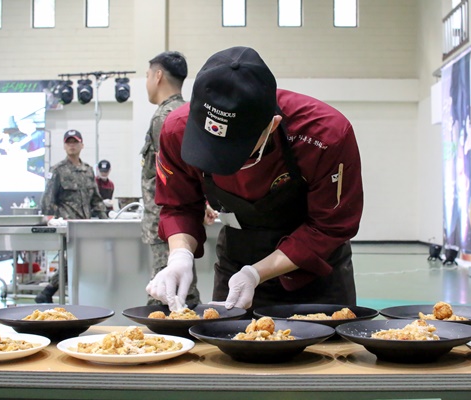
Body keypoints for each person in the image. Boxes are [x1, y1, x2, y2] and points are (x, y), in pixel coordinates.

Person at [146, 46, 363, 312]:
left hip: (316, 273)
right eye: (208, 145)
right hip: (236, 260)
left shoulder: (325, 136)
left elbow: (329, 226)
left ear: (271, 125)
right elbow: (178, 206)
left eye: (233, 150)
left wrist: (256, 273)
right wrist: (179, 257)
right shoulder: (175, 130)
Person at [140, 51, 203, 306]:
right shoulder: (185, 112)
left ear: (157, 76)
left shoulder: (165, 117)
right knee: (181, 288)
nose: (146, 82)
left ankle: (171, 343)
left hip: (166, 223)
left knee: (166, 293)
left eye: (146, 76)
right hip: (175, 221)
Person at [36, 129, 108, 303]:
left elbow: (96, 200)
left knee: (80, 260)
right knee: (74, 259)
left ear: (82, 145)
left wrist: (106, 221)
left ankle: (53, 292)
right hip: (67, 225)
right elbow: (47, 201)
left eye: (75, 142)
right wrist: (53, 222)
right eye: (68, 142)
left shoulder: (88, 170)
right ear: (64, 146)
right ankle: (49, 291)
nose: (72, 145)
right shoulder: (58, 170)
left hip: (85, 225)